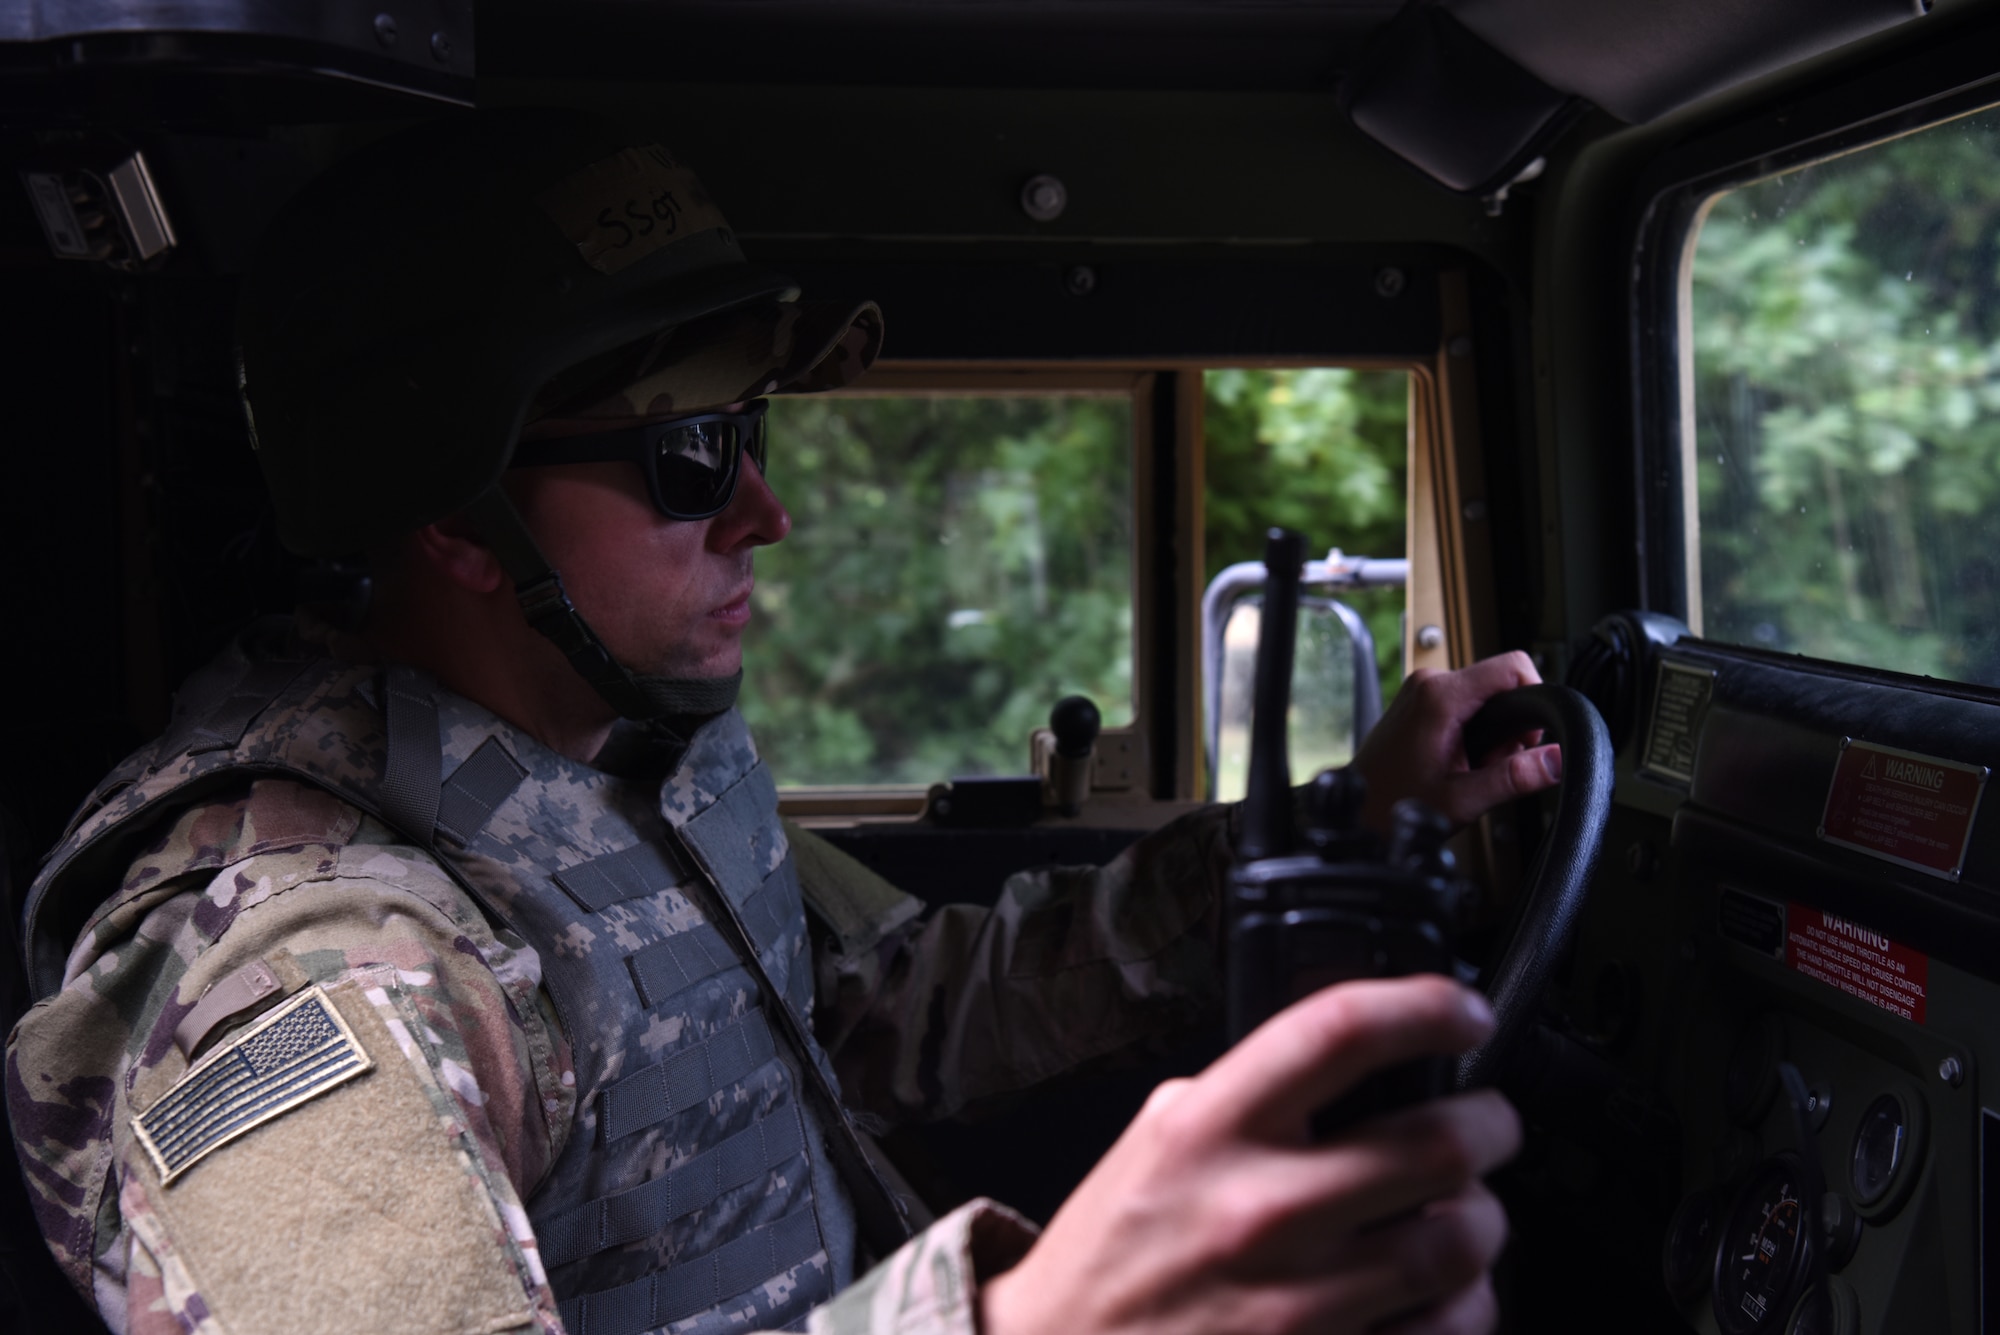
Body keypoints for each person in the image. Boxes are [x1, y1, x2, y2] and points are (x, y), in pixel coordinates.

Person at [5, 110, 1560, 1335]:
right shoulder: (306, 955)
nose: (766, 510)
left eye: (752, 429)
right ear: (459, 524)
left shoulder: (617, 759)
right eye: (689, 453)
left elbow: (886, 1011)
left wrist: (1340, 833)